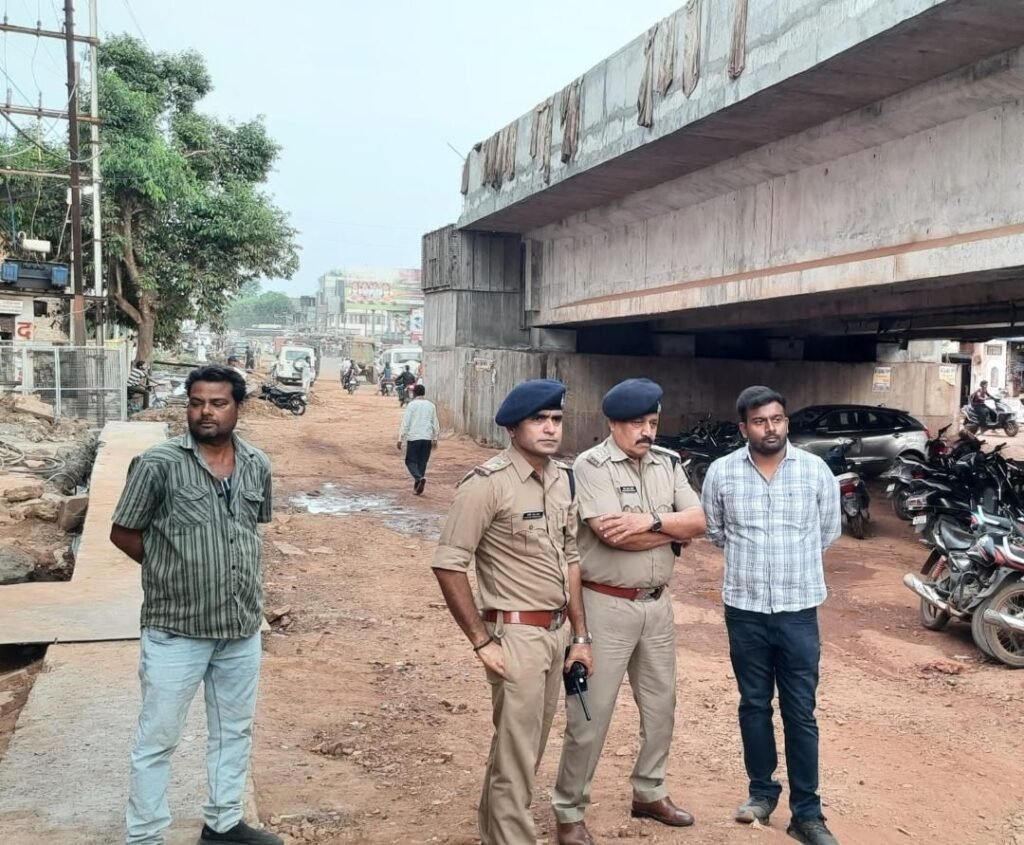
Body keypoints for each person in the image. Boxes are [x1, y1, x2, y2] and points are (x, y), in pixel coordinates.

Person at [110, 365, 281, 845]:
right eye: (197, 402)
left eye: (218, 403)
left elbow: (248, 529)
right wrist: (172, 570)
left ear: (237, 407)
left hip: (240, 627)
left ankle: (223, 824)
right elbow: (123, 531)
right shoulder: (158, 464)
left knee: (233, 731)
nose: (206, 412)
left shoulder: (257, 463)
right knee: (158, 738)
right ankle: (145, 836)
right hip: (176, 629)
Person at [432, 379, 593, 845]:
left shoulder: (563, 479)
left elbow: (571, 559)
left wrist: (580, 636)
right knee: (517, 755)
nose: (550, 429)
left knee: (523, 749)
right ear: (512, 428)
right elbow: (448, 564)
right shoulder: (487, 485)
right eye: (538, 420)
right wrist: (481, 641)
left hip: (556, 635)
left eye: (556, 420)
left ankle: (495, 835)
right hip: (515, 636)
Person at [552, 378, 706, 844]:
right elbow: (612, 535)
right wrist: (672, 531)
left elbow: (699, 521)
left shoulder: (668, 462)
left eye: (652, 422)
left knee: (661, 708)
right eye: (637, 423)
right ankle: (569, 810)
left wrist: (650, 521)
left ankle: (649, 791)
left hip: (657, 606)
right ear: (613, 424)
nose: (647, 432)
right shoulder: (591, 465)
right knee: (590, 714)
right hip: (604, 605)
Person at [701, 386, 841, 845]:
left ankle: (807, 814)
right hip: (745, 612)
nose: (771, 428)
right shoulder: (722, 472)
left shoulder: (815, 471)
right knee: (754, 705)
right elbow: (717, 532)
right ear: (744, 427)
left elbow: (828, 532)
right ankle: (761, 793)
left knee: (801, 712)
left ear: (786, 422)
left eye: (777, 419)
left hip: (799, 612)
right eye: (760, 421)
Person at [397, 384, 440, 494]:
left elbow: (406, 423)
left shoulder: (412, 405)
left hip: (414, 437)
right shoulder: (431, 405)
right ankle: (418, 486)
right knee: (422, 462)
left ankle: (418, 478)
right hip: (427, 438)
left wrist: (400, 438)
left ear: (414, 393)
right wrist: (435, 438)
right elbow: (435, 422)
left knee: (410, 461)